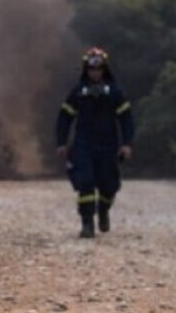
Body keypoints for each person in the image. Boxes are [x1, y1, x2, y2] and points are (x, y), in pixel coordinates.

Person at [55, 47, 135, 238]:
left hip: (108, 146)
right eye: (92, 69)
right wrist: (61, 142)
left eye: (98, 69)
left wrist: (126, 144)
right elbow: (65, 118)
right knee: (86, 183)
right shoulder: (77, 93)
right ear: (86, 70)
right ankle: (87, 224)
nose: (95, 73)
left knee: (109, 186)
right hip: (84, 145)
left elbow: (126, 119)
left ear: (104, 69)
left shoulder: (114, 92)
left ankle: (103, 210)